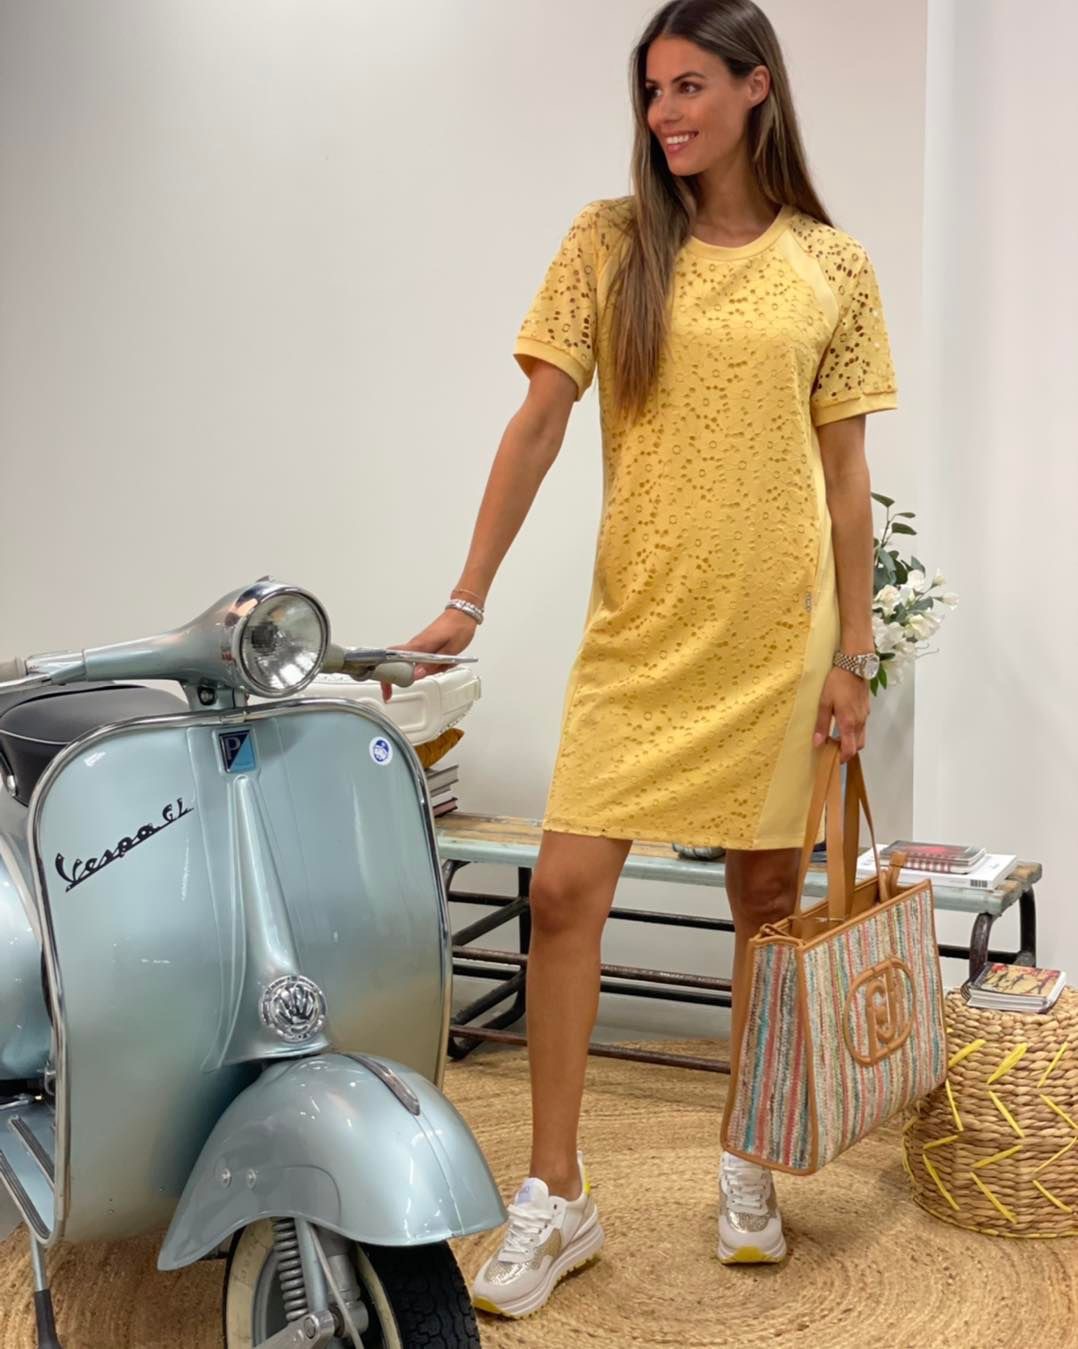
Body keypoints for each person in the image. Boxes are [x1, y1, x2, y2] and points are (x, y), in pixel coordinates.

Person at [393, 0, 896, 1320]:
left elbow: (847, 479)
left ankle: (748, 1159)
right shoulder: (609, 241)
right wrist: (466, 597)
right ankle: (554, 1194)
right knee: (564, 892)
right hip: (641, 629)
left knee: (765, 900)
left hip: (776, 634)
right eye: (652, 91)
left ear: (754, 88)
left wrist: (855, 652)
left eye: (688, 87)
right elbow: (538, 423)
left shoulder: (829, 265)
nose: (665, 113)